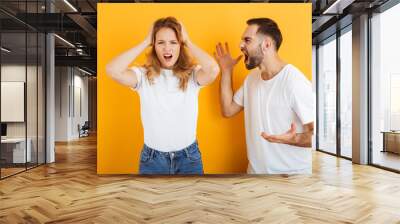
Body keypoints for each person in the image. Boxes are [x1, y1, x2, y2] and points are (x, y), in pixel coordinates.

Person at [106, 17, 219, 174]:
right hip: (152, 160)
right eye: (161, 42)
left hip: (188, 158)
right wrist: (146, 41)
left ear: (181, 45)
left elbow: (213, 70)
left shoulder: (193, 75)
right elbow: (112, 70)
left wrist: (188, 41)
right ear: (154, 46)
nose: (167, 48)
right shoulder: (142, 76)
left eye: (173, 42)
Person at [215, 18, 315, 174]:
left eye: (247, 40)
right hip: (255, 175)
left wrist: (293, 139)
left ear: (266, 44)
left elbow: (317, 136)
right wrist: (227, 71)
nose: (241, 45)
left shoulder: (295, 82)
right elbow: (228, 110)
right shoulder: (252, 79)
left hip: (291, 179)